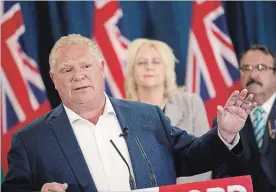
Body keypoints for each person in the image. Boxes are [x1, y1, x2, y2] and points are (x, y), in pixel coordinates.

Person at [2, 34, 257, 192]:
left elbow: (191, 157)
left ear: (101, 69)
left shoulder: (147, 117)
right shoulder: (30, 140)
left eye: (86, 66)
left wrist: (224, 133)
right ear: (54, 79)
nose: (78, 75)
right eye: (67, 70)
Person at [124, 38, 211, 184]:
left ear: (167, 69)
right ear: (132, 70)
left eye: (156, 62)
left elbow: (205, 154)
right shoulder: (122, 112)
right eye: (141, 62)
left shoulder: (191, 104)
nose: (149, 67)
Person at [213, 45, 276, 192]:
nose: (252, 74)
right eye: (246, 68)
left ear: (274, 73)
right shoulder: (225, 120)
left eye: (261, 68)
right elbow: (221, 173)